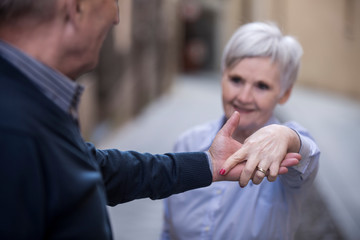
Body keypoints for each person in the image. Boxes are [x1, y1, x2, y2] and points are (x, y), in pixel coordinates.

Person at [0, 2, 301, 239]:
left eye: (261, 86)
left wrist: (209, 163)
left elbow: (99, 168)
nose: (117, 16)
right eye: (113, 0)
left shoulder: (33, 99)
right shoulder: (14, 127)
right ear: (75, 7)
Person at [161, 22, 320, 240]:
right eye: (236, 80)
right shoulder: (187, 144)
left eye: (262, 86)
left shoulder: (284, 159)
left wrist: (286, 135)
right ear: (222, 76)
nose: (244, 97)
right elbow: (168, 230)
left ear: (284, 93)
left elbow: (309, 156)